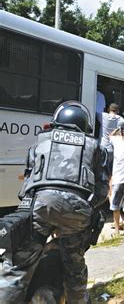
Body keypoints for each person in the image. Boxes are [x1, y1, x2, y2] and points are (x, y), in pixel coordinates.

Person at [0, 101, 110, 303]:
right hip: (77, 210)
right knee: (74, 267)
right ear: (84, 125)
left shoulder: (39, 143)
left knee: (18, 267)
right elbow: (102, 192)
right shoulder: (95, 147)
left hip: (40, 205)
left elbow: (27, 184)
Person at [99, 103, 124, 169]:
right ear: (118, 111)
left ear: (108, 109)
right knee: (109, 168)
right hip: (112, 148)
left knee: (100, 167)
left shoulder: (102, 116)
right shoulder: (121, 120)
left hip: (102, 146)